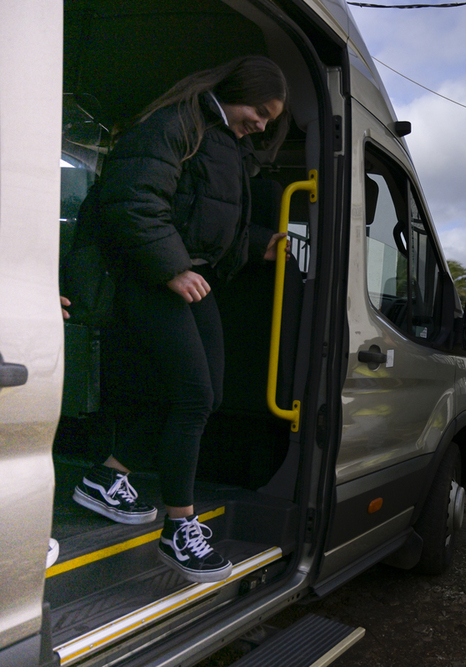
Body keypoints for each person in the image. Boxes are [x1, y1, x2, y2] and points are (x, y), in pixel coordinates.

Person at [71, 55, 291, 583]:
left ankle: (109, 478)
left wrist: (262, 243)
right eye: (259, 111)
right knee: (193, 396)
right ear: (234, 91)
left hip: (188, 274)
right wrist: (170, 267)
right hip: (153, 276)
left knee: (204, 395)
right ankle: (179, 526)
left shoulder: (222, 140)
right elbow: (133, 200)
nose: (261, 124)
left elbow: (209, 213)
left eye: (268, 118)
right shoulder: (175, 123)